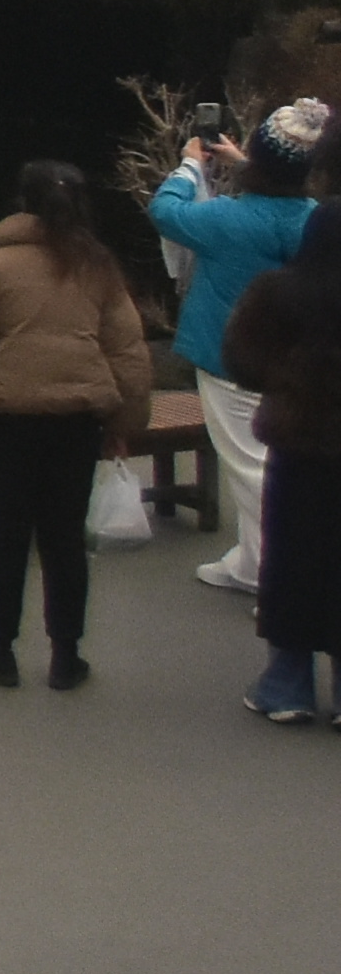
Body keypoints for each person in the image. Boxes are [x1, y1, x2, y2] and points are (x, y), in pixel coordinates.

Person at [0, 155, 158, 691]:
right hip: (76, 422)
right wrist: (124, 422)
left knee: (4, 536)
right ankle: (67, 656)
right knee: (64, 539)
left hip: (7, 421)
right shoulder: (100, 268)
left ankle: (0, 649)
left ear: (22, 205)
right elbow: (127, 352)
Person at [150, 104, 316, 605]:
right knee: (274, 460)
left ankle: (278, 582)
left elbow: (165, 212)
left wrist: (188, 167)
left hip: (229, 358)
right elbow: (279, 200)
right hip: (294, 360)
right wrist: (247, 163)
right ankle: (249, 562)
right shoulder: (314, 219)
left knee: (252, 469)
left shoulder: (226, 218)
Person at [230, 259, 341, 722]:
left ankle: (286, 685)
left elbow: (239, 358)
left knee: (293, 557)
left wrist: (285, 383)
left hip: (298, 442)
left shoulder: (276, 289)